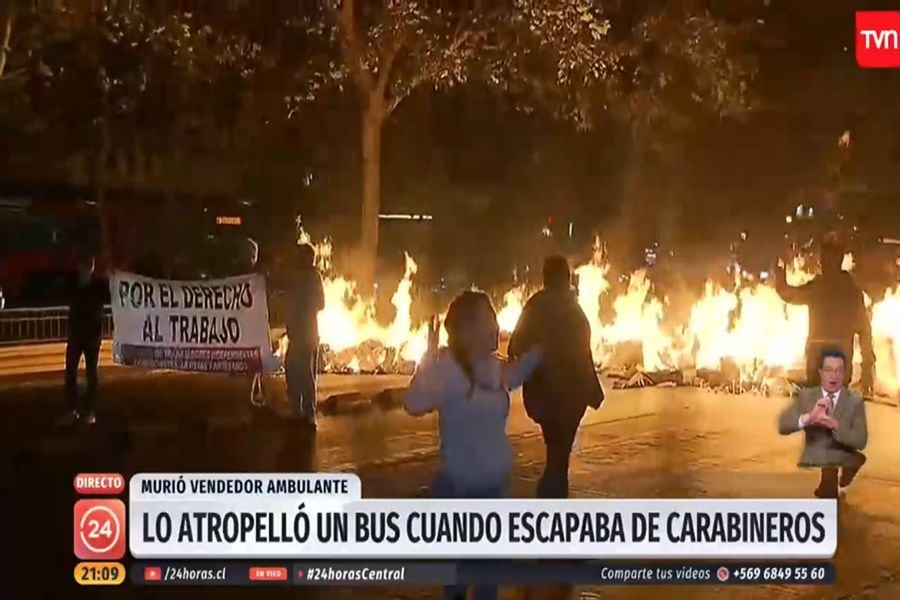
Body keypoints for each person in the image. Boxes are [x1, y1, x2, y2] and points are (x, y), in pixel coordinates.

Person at [404, 291, 542, 600]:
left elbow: (513, 374)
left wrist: (540, 353)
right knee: (463, 578)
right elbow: (412, 403)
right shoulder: (447, 368)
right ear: (467, 331)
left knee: (485, 580)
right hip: (461, 494)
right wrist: (426, 361)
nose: (496, 326)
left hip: (492, 492)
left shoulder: (490, 366)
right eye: (488, 319)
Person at [509, 255, 604, 499]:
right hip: (570, 397)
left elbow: (515, 346)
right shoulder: (574, 311)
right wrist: (593, 390)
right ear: (567, 277)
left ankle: (551, 493)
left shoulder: (534, 306)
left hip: (542, 395)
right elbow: (583, 355)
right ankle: (552, 495)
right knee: (559, 455)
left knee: (556, 449)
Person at [774, 239, 875, 394]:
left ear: (837, 260)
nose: (822, 262)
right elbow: (864, 331)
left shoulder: (822, 287)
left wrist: (780, 277)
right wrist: (867, 368)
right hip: (836, 361)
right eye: (823, 258)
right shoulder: (851, 290)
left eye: (826, 258)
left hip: (819, 359)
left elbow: (788, 294)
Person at [778, 348, 868, 499]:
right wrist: (807, 418)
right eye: (828, 370)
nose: (834, 376)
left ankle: (839, 479)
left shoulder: (854, 402)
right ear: (821, 372)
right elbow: (784, 424)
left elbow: (860, 440)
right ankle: (829, 485)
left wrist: (835, 425)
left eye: (839, 371)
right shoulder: (808, 396)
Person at [60, 250, 108, 426]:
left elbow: (112, 296)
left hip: (92, 336)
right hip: (76, 335)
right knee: (71, 373)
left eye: (90, 264)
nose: (88, 267)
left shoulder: (99, 285)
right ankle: (73, 409)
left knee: (91, 374)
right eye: (85, 264)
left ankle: (88, 410)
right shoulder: (73, 283)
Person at [283, 243, 325, 428]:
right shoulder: (296, 277)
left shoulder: (313, 277)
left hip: (307, 333)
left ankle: (308, 412)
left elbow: (320, 303)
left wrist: (303, 306)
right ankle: (297, 409)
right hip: (298, 332)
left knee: (305, 374)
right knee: (292, 370)